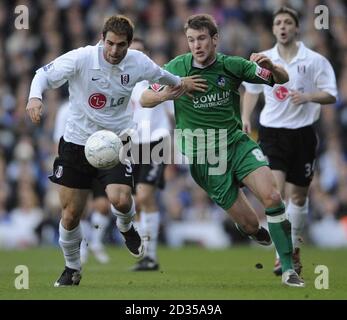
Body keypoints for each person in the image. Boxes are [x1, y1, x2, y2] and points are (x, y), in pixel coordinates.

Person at [26, 14, 204, 287]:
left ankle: (125, 226)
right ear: (102, 39)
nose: (114, 50)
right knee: (70, 214)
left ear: (129, 44)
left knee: (121, 200)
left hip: (116, 141)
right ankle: (72, 268)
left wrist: (182, 83)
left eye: (121, 45)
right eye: (109, 43)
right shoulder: (82, 58)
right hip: (76, 143)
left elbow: (163, 76)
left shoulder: (138, 62)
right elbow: (43, 74)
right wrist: (35, 97)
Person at [140, 13, 305, 287]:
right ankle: (253, 231)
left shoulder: (232, 65)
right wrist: (175, 88)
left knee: (273, 197)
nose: (196, 45)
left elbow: (281, 79)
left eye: (202, 38)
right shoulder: (176, 67)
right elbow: (146, 98)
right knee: (252, 225)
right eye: (191, 40)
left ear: (215, 39)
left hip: (236, 144)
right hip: (205, 159)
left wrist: (272, 67)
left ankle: (288, 269)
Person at [242, 6, 337, 276]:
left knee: (299, 195)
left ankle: (294, 247)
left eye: (287, 22)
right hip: (272, 132)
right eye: (278, 23)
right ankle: (281, 254)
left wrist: (308, 97)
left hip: (303, 133)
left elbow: (331, 94)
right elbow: (251, 90)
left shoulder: (315, 60)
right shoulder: (265, 58)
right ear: (273, 29)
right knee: (276, 193)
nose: (282, 26)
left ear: (296, 28)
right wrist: (246, 117)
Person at [126, 38, 174, 271]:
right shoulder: (121, 82)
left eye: (139, 53)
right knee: (137, 201)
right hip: (131, 144)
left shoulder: (158, 79)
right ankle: (148, 256)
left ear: (146, 56)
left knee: (145, 197)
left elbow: (174, 113)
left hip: (156, 141)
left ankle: (150, 255)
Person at [53, 101, 111, 264]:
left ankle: (96, 243)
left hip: (100, 159)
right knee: (79, 210)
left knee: (103, 205)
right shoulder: (65, 110)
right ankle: (82, 248)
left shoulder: (98, 102)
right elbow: (57, 139)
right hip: (75, 161)